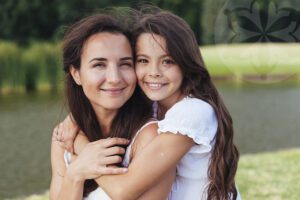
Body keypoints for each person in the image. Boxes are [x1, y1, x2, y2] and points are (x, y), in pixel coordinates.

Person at [55, 7, 241, 200]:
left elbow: (122, 190)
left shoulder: (192, 112)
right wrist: (75, 119)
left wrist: (83, 149)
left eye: (167, 61)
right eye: (143, 60)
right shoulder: (155, 103)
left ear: (185, 64)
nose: (154, 72)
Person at [50, 13, 175, 200]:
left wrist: (83, 150)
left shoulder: (150, 138)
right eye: (99, 65)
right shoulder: (65, 136)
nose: (115, 78)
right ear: (76, 74)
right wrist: (75, 175)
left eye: (125, 64)